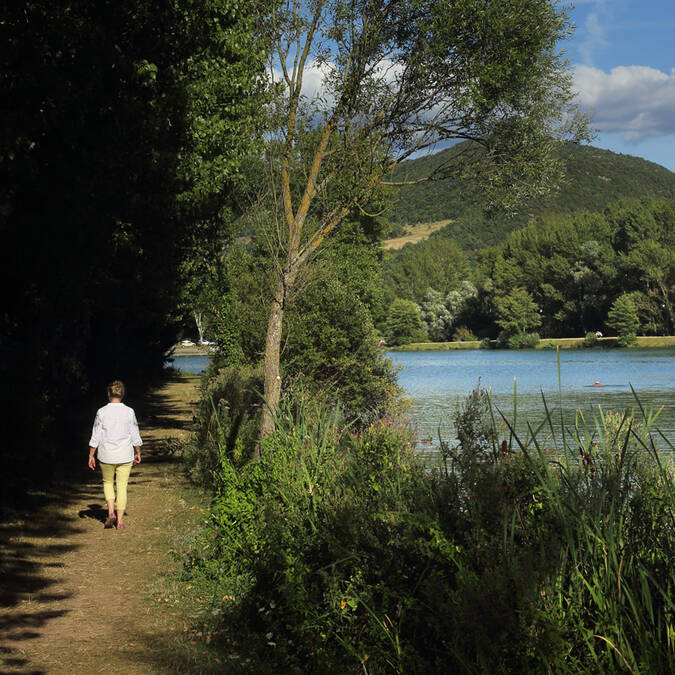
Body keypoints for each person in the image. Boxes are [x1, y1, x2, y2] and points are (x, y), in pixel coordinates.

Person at [88, 380, 142, 529]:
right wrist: (138, 452)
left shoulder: (102, 412)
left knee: (107, 483)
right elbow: (135, 435)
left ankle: (110, 512)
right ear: (122, 394)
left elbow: (96, 436)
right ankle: (119, 521)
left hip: (106, 455)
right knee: (122, 486)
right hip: (125, 455)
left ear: (108, 394)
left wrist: (91, 455)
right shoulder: (129, 412)